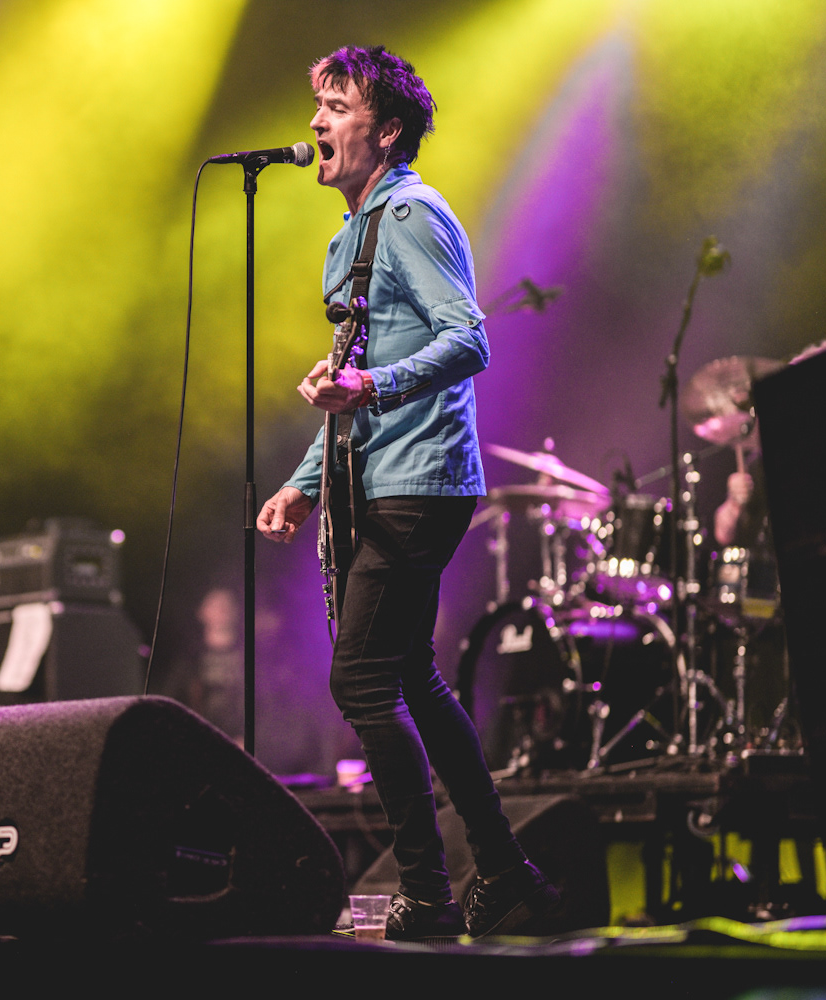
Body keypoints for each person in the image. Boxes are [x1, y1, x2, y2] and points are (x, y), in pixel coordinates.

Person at [255, 46, 557, 940]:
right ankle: (506, 875)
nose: (316, 122)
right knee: (413, 678)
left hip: (420, 481)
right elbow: (355, 382)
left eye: (336, 106)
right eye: (316, 104)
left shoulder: (413, 213)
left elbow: (469, 339)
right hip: (377, 479)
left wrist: (372, 387)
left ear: (386, 131)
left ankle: (426, 891)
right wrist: (303, 483)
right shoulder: (351, 234)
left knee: (360, 680)